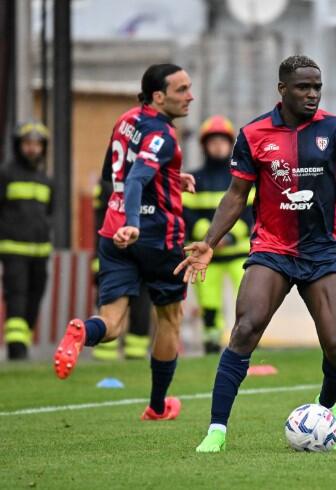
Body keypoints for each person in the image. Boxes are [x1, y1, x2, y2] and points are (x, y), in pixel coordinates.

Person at [177, 55, 336, 453]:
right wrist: (209, 240)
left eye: (317, 86)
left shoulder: (335, 129)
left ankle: (324, 411)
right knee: (245, 329)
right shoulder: (254, 133)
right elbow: (235, 195)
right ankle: (216, 430)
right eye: (303, 87)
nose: (312, 94)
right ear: (283, 89)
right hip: (272, 249)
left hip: (321, 253)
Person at [52, 63, 195, 423]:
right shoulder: (163, 134)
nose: (189, 96)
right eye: (181, 90)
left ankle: (84, 330)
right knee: (170, 318)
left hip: (111, 232)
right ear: (159, 96)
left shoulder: (126, 120)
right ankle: (158, 406)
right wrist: (135, 223)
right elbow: (134, 180)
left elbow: (113, 176)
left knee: (112, 321)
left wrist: (172, 179)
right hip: (155, 236)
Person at [183, 115, 253, 353]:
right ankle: (211, 343)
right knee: (209, 303)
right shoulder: (195, 178)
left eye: (222, 141)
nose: (217, 146)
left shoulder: (240, 176)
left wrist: (230, 237)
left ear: (229, 144)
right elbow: (186, 213)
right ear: (204, 145)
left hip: (238, 253)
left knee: (247, 300)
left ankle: (246, 342)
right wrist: (210, 236)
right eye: (212, 141)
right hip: (207, 255)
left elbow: (251, 212)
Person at [0, 121, 53, 360]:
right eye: (28, 144)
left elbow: (49, 212)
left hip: (40, 252)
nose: (32, 149)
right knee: (17, 296)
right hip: (13, 250)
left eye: (37, 144)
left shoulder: (45, 179)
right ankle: (16, 350)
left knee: (35, 296)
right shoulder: (6, 174)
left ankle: (23, 339)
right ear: (18, 146)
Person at [91, 179, 152, 361]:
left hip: (141, 254)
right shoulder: (106, 185)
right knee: (110, 306)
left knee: (141, 309)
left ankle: (136, 354)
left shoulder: (150, 178)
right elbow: (98, 224)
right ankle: (104, 354)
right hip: (115, 255)